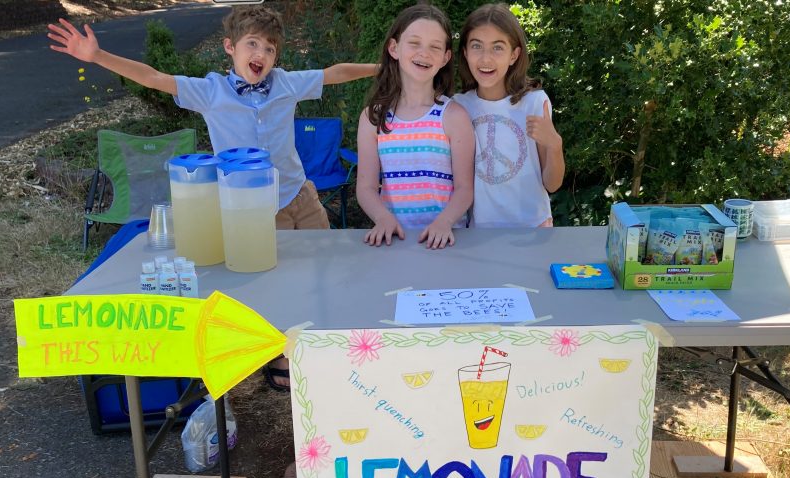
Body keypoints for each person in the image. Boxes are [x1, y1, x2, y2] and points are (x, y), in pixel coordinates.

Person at [48, 6, 377, 391]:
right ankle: (276, 354)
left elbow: (335, 73)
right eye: (252, 44)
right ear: (229, 47)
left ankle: (323, 342)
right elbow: (154, 78)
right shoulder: (209, 91)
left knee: (324, 270)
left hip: (299, 196)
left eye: (270, 49)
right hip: (252, 210)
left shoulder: (286, 83)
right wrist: (97, 57)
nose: (262, 54)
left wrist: (382, 68)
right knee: (268, 282)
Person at [355, 4, 475, 249]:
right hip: (394, 241)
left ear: (445, 57)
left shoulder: (454, 116)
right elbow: (366, 188)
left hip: (447, 242)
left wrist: (444, 222)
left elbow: (465, 188)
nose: (425, 53)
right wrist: (382, 218)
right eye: (415, 43)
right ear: (394, 48)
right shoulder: (372, 118)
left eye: (435, 46)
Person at [454, 3, 565, 228]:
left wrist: (555, 145)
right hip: (480, 233)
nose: (486, 59)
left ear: (514, 54)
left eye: (497, 48)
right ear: (465, 52)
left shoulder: (535, 103)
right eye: (477, 46)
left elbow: (552, 184)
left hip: (533, 229)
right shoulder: (459, 106)